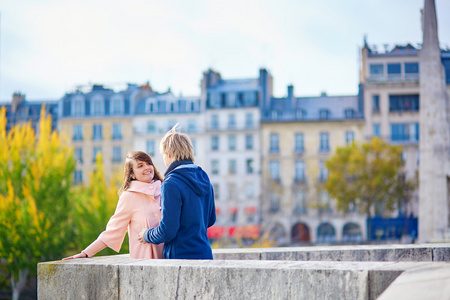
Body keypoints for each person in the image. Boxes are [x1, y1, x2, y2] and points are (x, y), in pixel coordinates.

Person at [63, 151, 164, 260]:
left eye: (149, 163)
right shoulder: (129, 197)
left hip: (171, 257)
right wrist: (86, 252)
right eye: (140, 166)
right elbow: (113, 230)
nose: (147, 167)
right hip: (145, 262)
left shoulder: (166, 190)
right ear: (132, 174)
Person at [137, 124, 216, 259]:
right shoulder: (204, 177)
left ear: (169, 154)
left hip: (181, 259)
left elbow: (167, 232)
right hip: (205, 255)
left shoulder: (171, 184)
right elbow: (211, 220)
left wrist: (146, 234)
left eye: (163, 155)